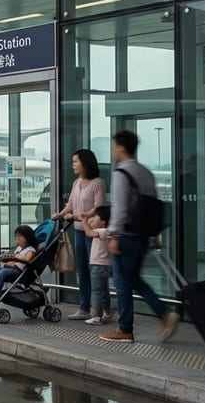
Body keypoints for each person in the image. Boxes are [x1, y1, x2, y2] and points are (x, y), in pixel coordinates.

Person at [99, 130, 180, 343]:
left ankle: (125, 329)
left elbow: (120, 208)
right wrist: (154, 234)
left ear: (122, 148)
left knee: (123, 282)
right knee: (133, 279)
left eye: (114, 146)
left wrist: (114, 235)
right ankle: (164, 313)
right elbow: (153, 206)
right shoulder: (145, 172)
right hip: (142, 235)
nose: (112, 149)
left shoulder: (121, 174)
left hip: (126, 235)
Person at [52, 148, 106, 320]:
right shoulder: (77, 183)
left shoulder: (97, 183)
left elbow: (99, 209)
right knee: (82, 272)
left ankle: (104, 308)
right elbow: (71, 204)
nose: (73, 164)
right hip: (79, 231)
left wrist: (76, 216)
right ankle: (84, 308)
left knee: (95, 271)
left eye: (76, 161)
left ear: (85, 163)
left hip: (92, 232)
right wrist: (60, 214)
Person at [0, 225, 37, 299]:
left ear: (28, 238)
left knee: (3, 272)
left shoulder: (30, 250)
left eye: (20, 236)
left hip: (19, 271)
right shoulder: (18, 248)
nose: (18, 238)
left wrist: (18, 258)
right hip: (12, 268)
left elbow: (27, 260)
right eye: (16, 236)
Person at [81, 206, 114, 325]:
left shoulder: (103, 231)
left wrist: (84, 221)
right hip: (102, 266)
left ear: (103, 222)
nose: (92, 220)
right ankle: (107, 311)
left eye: (95, 218)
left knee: (95, 291)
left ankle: (95, 316)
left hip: (98, 266)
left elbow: (89, 232)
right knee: (104, 291)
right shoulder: (106, 231)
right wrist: (88, 217)